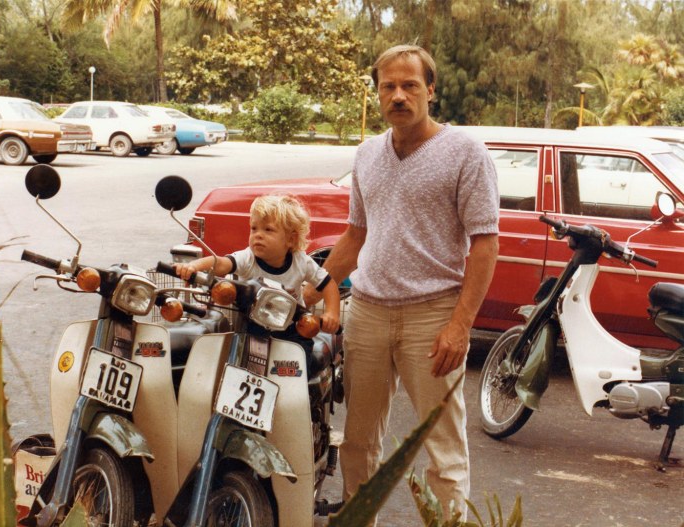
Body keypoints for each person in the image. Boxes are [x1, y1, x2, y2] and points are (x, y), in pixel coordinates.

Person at [305, 45, 499, 520]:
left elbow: (486, 244)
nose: (398, 95)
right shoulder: (368, 153)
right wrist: (306, 291)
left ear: (430, 90)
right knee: (357, 442)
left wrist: (460, 325)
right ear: (377, 93)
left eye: (409, 85)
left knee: (443, 448)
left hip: (433, 313)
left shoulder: (465, 153)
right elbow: (356, 235)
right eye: (387, 86)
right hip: (368, 311)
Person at [173, 194, 341, 358]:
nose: (258, 235)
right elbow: (223, 263)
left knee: (297, 368)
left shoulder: (301, 261)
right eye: (254, 228)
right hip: (255, 326)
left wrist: (332, 313)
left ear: (290, 239)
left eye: (268, 230)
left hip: (294, 328)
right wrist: (194, 266)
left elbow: (328, 284)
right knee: (241, 364)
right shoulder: (248, 258)